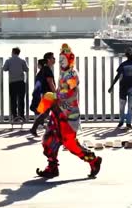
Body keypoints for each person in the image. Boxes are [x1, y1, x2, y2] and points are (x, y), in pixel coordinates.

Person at [36, 43, 102, 178]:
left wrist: (54, 96)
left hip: (69, 114)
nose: (60, 62)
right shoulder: (62, 73)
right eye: (60, 59)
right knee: (48, 139)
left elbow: (68, 92)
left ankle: (93, 160)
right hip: (57, 113)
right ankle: (52, 167)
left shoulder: (73, 74)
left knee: (70, 144)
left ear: (70, 59)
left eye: (63, 59)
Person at [108, 48, 132, 129]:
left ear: (126, 55)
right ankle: (128, 123)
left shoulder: (123, 65)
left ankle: (121, 122)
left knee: (122, 105)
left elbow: (117, 76)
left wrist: (112, 86)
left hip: (123, 87)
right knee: (130, 106)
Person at [30, 52, 56, 137]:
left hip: (46, 94)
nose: (54, 59)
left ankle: (34, 129)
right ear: (48, 60)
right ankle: (56, 131)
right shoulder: (47, 69)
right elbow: (50, 82)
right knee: (57, 112)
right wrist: (56, 93)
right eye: (52, 58)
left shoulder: (44, 69)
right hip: (50, 95)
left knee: (46, 113)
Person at [3, 47, 29, 122]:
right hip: (21, 82)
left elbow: (4, 69)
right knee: (21, 99)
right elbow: (26, 69)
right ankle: (21, 116)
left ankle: (14, 116)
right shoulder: (22, 61)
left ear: (13, 52)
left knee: (13, 100)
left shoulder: (8, 60)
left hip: (12, 83)